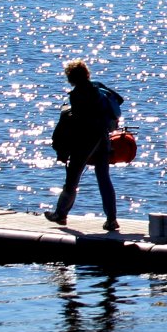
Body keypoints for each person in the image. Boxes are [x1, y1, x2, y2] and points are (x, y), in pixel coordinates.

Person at [45, 59, 120, 232]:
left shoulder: (77, 94)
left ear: (71, 78)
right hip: (103, 136)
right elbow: (118, 100)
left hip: (87, 139)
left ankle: (61, 214)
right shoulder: (97, 87)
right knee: (104, 178)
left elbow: (78, 124)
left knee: (72, 177)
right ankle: (111, 219)